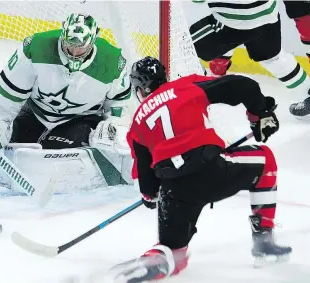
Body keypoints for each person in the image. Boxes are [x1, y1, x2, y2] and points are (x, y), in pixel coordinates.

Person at [115, 56, 292, 282]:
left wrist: (150, 196)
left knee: (174, 253)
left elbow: (147, 185)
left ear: (139, 88)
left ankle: (157, 259)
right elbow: (243, 86)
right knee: (265, 159)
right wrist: (259, 115)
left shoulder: (138, 122)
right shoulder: (184, 86)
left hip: (173, 190)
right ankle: (264, 241)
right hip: (210, 171)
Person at [0, 13, 136, 180]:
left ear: (93, 42)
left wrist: (111, 126)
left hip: (79, 120)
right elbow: (7, 95)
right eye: (70, 45)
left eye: (80, 48)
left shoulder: (112, 62)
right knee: (11, 148)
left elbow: (119, 106)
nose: (74, 52)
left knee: (59, 158)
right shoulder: (36, 48)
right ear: (62, 35)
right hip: (36, 113)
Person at [189, 0, 310, 118]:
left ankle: (184, 99)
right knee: (273, 60)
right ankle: (306, 93)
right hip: (267, 16)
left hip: (232, 23)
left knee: (184, 46)